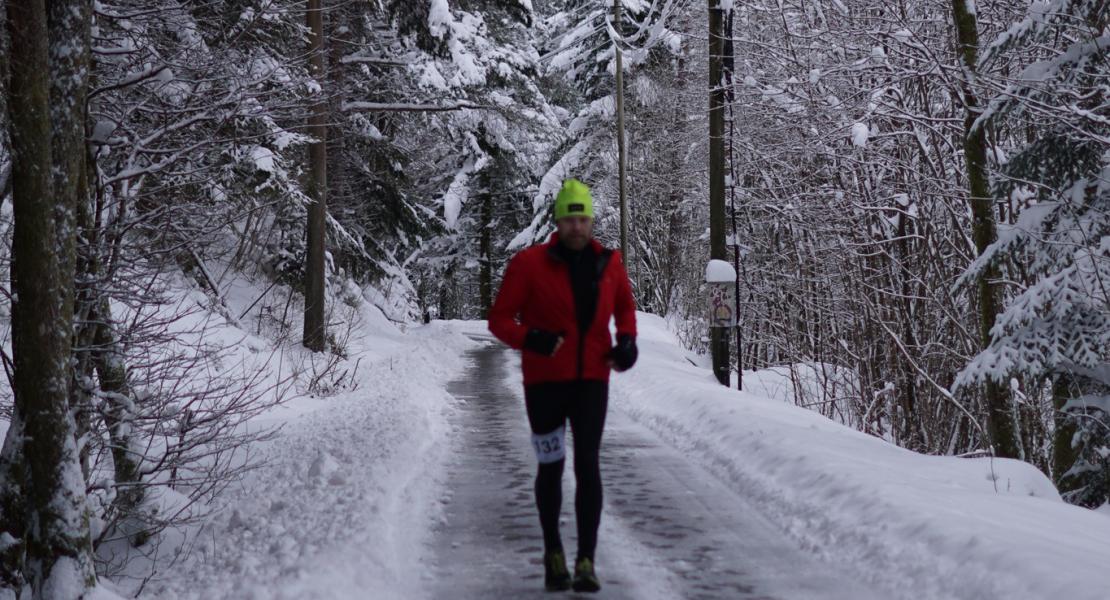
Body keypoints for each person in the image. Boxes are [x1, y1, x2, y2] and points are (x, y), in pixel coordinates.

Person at [488, 178, 638, 593]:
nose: (577, 225)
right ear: (558, 220)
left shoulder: (610, 263)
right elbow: (500, 320)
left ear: (591, 220)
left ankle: (586, 560)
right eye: (570, 217)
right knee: (551, 466)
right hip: (545, 384)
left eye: (583, 217)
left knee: (588, 464)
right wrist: (531, 338)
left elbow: (625, 306)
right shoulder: (529, 264)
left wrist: (627, 342)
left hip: (593, 381)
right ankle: (554, 553)